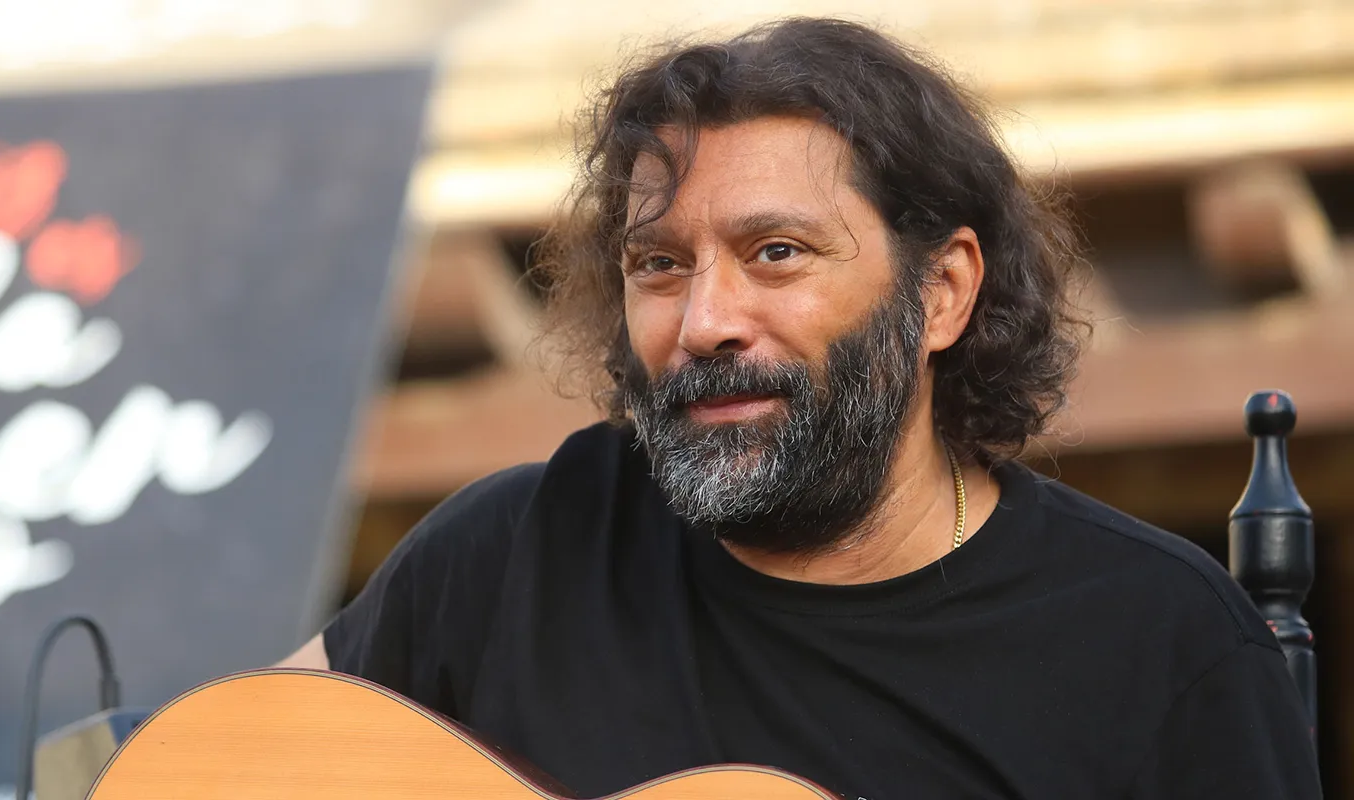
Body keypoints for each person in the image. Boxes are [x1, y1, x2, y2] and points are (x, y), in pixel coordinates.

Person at [278, 16, 1321, 799]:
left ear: (942, 290)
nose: (705, 319)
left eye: (775, 253)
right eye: (658, 263)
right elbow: (202, 761)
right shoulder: (512, 553)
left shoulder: (1154, 642)